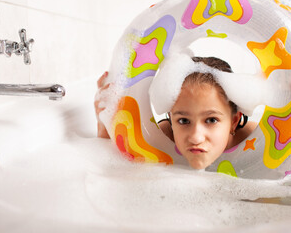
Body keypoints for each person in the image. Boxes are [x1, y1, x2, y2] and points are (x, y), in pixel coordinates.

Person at [94, 56, 257, 169]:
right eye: (184, 121)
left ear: (234, 121)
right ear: (171, 119)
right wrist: (105, 122)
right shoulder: (162, 139)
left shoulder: (254, 141)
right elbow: (115, 166)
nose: (195, 137)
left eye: (211, 120)